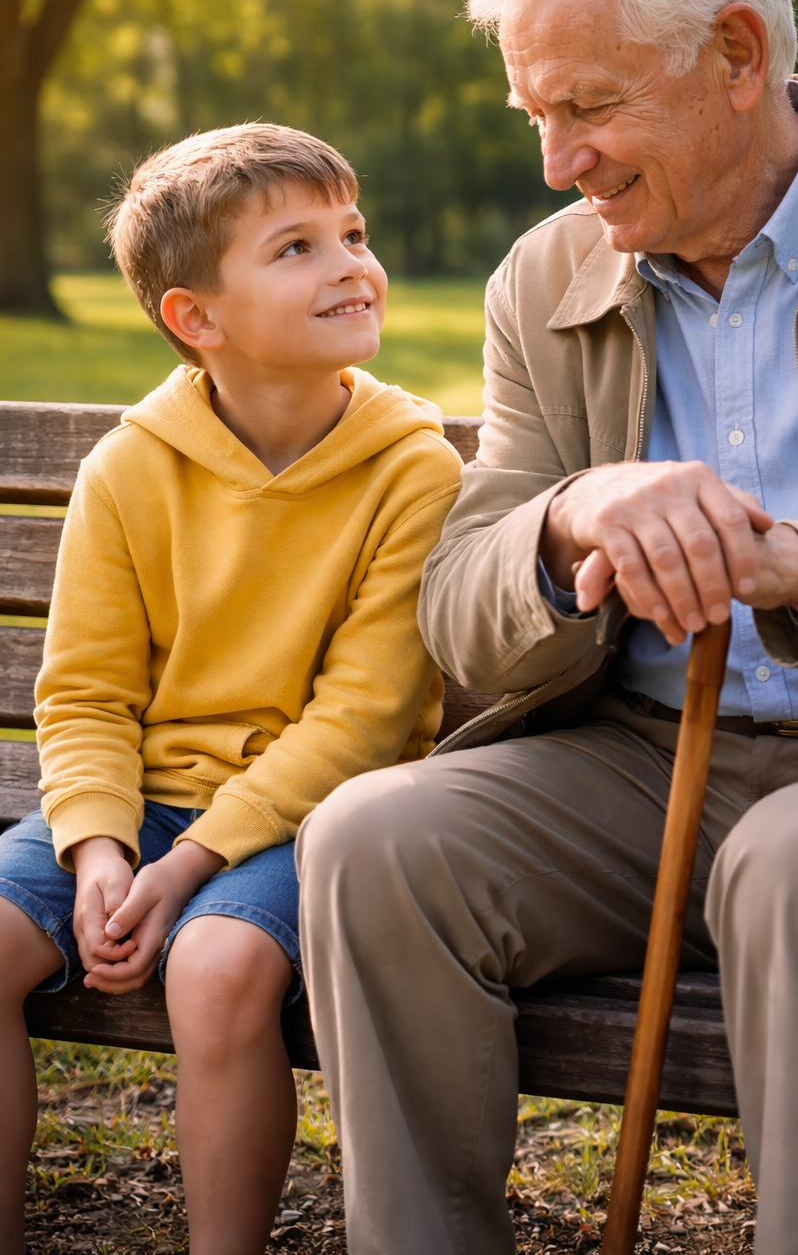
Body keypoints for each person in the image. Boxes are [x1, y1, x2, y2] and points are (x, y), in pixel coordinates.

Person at [297, 0, 798, 1255]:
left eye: (589, 106)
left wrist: (795, 567)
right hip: (637, 765)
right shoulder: (545, 278)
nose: (557, 161)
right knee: (374, 842)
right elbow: (459, 613)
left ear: (738, 56)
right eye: (537, 117)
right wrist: (570, 519)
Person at [0, 123, 463, 1255]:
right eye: (296, 248)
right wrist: (103, 850)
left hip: (305, 822)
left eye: (351, 233)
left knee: (213, 970)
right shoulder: (130, 468)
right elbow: (86, 696)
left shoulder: (414, 467)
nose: (351, 264)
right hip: (139, 809)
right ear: (195, 319)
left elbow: (363, 721)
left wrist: (192, 864)